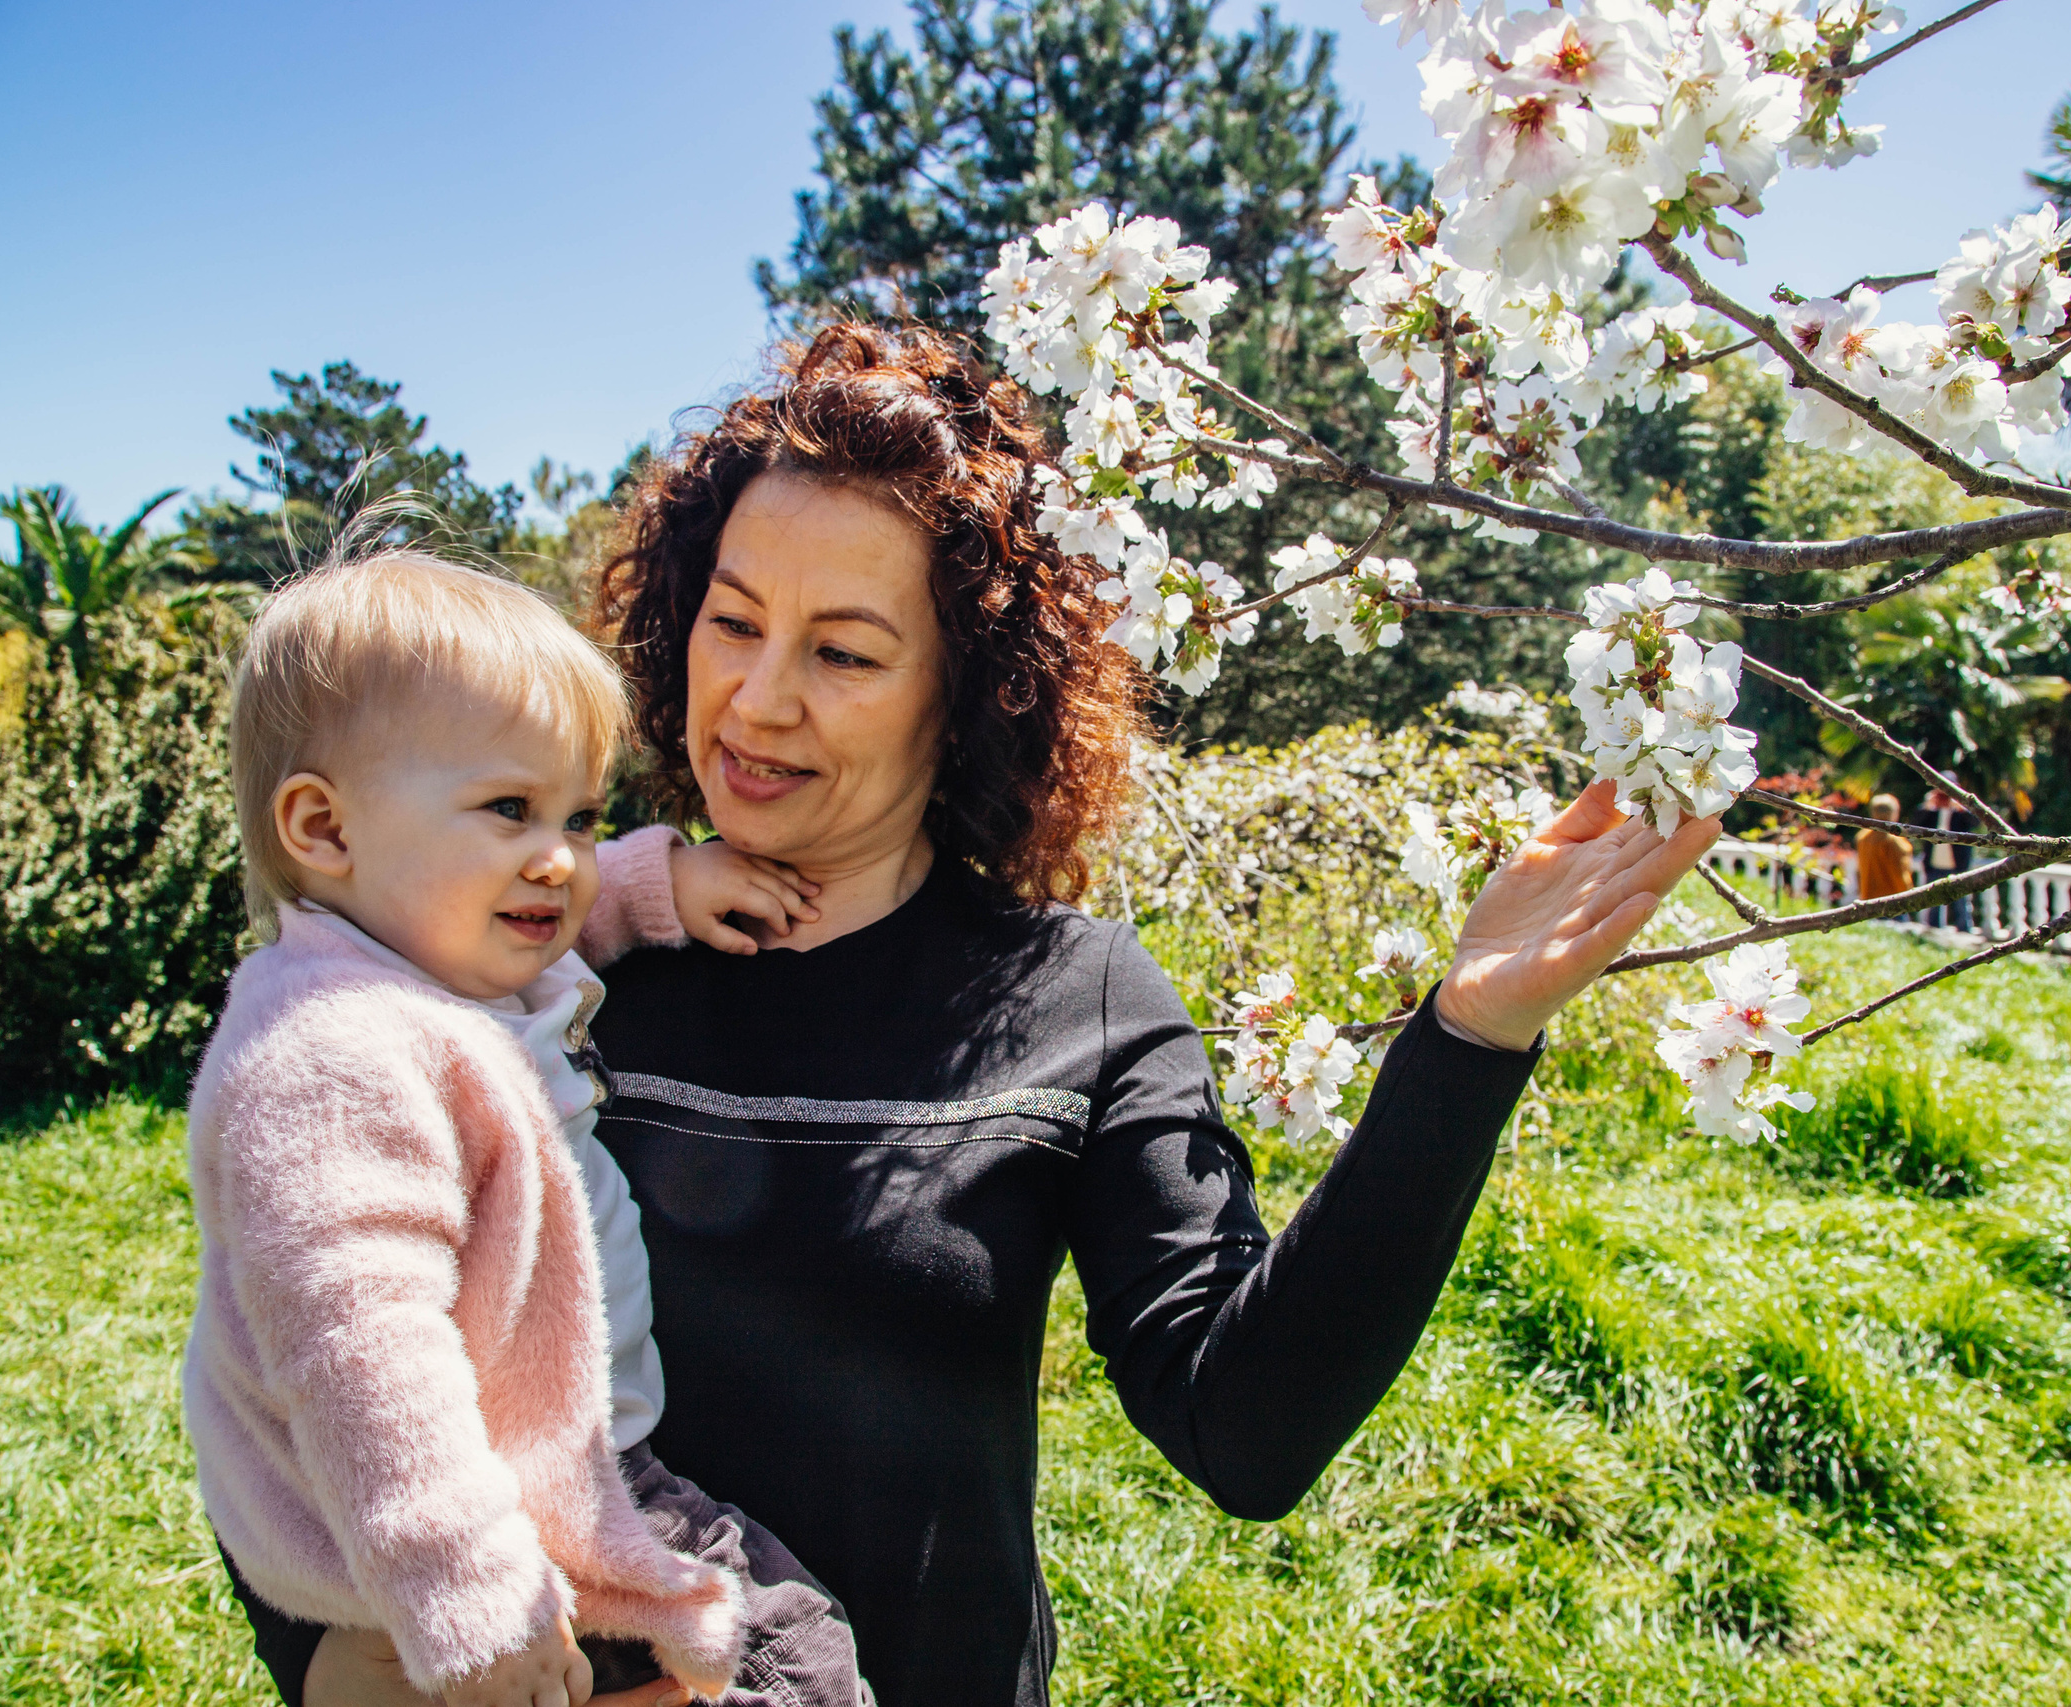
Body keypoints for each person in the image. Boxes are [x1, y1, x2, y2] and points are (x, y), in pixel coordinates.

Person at [231, 325, 1721, 1707]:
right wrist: (345, 1663)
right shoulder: (535, 956)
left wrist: (1466, 1042)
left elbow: (1248, 1429)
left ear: (968, 693)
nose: (754, 701)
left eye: (845, 652)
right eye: (732, 621)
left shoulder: (1076, 1000)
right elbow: (310, 1352)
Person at [189, 550, 870, 1707]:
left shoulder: (423, 958)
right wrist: (472, 1594)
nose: (558, 857)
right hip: (495, 1526)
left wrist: (661, 880)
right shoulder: (333, 1055)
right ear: (323, 828)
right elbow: (362, 1354)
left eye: (582, 815)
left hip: (517, 1486)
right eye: (509, 807)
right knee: (794, 1664)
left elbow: (556, 909)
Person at [1919, 787, 1977, 930]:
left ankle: (1964, 929)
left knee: (1961, 900)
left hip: (1957, 864)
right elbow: (1915, 822)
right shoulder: (1931, 813)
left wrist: (1961, 807)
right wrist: (1927, 805)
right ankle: (1933, 929)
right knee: (1933, 900)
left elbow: (1976, 823)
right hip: (1934, 863)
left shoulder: (1960, 813)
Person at [1856, 791, 1916, 904]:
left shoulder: (1862, 837)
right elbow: (1900, 873)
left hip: (1869, 897)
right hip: (1894, 899)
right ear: (1893, 813)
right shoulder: (1895, 841)